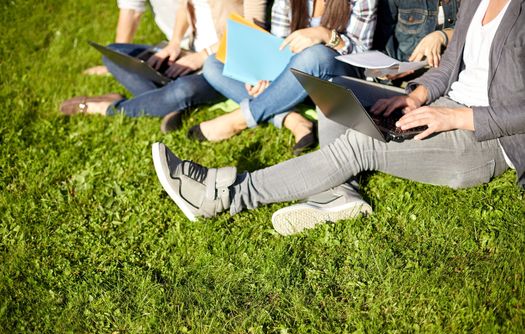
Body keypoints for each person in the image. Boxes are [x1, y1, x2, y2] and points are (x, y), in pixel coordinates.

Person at [151, 0, 524, 235]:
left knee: (362, 143)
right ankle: (339, 195)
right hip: (446, 104)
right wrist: (417, 97)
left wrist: (454, 118)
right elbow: (449, 68)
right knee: (338, 92)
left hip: (486, 141)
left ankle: (221, 195)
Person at [191, 0, 377, 155]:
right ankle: (292, 119)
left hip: (335, 78)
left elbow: (362, 55)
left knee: (316, 55)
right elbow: (277, 47)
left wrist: (325, 35)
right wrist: (263, 77)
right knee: (213, 64)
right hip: (291, 78)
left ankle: (243, 118)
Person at [60, 1, 267, 134]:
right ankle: (170, 103)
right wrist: (175, 42)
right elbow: (185, 7)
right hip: (188, 52)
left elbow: (251, 28)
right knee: (115, 54)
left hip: (220, 63)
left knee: (184, 89)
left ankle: (110, 108)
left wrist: (202, 56)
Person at [83, 0, 185, 76]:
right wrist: (118, 62)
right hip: (174, 47)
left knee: (183, 90)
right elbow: (131, 10)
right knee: (114, 51)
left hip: (197, 49)